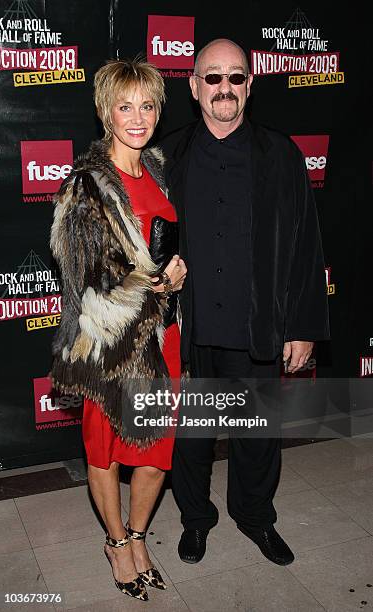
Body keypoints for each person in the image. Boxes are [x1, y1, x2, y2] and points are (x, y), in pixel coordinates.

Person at [160, 39, 330, 566]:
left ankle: (255, 519)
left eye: (236, 77)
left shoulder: (280, 153)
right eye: (212, 78)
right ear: (193, 87)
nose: (224, 88)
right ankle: (195, 521)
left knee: (257, 439)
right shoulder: (169, 154)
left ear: (250, 86)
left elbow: (305, 244)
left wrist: (301, 325)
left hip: (257, 325)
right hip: (189, 330)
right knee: (190, 440)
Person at [50, 58, 186, 601]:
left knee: (157, 453)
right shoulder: (87, 184)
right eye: (125, 106)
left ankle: (137, 534)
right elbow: (82, 275)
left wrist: (176, 277)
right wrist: (153, 286)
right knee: (104, 452)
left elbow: (170, 242)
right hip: (110, 347)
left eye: (147, 105)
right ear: (106, 111)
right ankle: (114, 542)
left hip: (163, 341)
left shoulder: (158, 168)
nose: (138, 117)